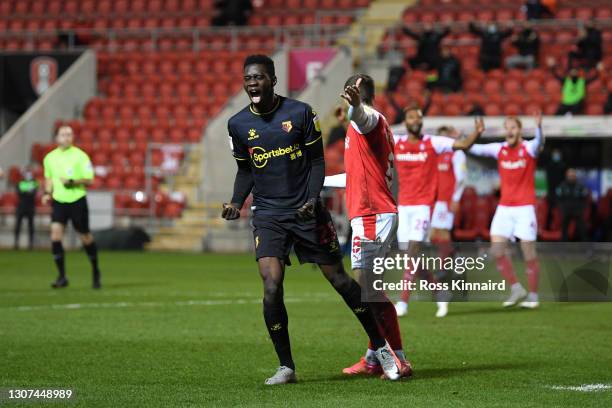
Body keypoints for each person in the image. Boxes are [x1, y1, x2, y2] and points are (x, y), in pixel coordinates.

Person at [221, 55, 402, 385]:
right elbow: (245, 170)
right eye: (247, 78)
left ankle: (382, 348)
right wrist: (236, 201)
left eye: (259, 77)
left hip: (306, 212)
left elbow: (317, 163)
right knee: (272, 284)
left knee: (341, 281)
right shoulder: (236, 124)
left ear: (273, 81)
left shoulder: (300, 113)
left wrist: (309, 199)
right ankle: (286, 366)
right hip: (268, 215)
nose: (252, 82)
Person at [323, 74, 412, 378]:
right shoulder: (369, 127)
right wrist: (314, 183)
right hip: (369, 212)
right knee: (369, 290)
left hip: (374, 214)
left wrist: (356, 106)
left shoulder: (369, 118)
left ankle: (397, 357)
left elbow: (361, 116)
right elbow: (355, 178)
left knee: (370, 291)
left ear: (357, 95)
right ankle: (374, 357)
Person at [394, 107, 484, 318]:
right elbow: (368, 137)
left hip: (423, 208)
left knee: (412, 252)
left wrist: (476, 133)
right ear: (405, 121)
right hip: (403, 207)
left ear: (422, 121)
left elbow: (462, 144)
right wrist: (347, 123)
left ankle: (403, 302)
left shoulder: (433, 142)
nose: (415, 119)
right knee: (410, 258)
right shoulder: (396, 142)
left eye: (418, 116)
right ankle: (440, 291)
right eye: (410, 116)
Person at [468, 113, 545, 309]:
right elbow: (473, 148)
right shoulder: (499, 149)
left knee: (528, 251)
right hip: (504, 208)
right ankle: (516, 288)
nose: (509, 131)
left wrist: (539, 127)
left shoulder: (528, 148)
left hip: (525, 208)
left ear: (519, 131)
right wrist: (474, 134)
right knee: (497, 250)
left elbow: (539, 142)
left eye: (513, 128)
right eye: (507, 128)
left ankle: (534, 296)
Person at [42, 125, 101, 289]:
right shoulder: (49, 158)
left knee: (85, 237)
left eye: (69, 134)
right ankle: (62, 276)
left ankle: (95, 271)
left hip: (77, 200)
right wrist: (47, 193)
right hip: (59, 201)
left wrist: (72, 182)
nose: (67, 137)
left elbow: (89, 180)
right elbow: (49, 178)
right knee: (55, 235)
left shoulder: (80, 156)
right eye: (63, 134)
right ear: (57, 138)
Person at [429, 126, 467, 316]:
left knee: (440, 234)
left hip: (447, 201)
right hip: (437, 202)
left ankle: (443, 266)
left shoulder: (456, 153)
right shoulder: (437, 155)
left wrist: (456, 198)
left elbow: (461, 178)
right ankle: (456, 254)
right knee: (435, 235)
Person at [556, 168, 590, 241]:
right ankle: (563, 247)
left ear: (575, 176)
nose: (571, 177)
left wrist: (581, 208)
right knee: (564, 229)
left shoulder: (580, 186)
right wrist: (562, 208)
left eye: (573, 175)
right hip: (566, 211)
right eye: (569, 175)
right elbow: (558, 198)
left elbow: (585, 198)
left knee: (582, 229)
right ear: (566, 176)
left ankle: (586, 247)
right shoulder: (562, 186)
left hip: (578, 211)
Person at [14, 164, 38, 250]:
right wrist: (28, 190)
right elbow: (20, 193)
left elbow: (33, 193)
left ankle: (31, 244)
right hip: (21, 206)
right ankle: (16, 243)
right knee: (18, 225)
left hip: (30, 207)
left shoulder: (34, 182)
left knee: (31, 226)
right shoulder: (21, 182)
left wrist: (26, 190)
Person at [544, 148, 566, 228]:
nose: (556, 156)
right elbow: (548, 178)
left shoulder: (563, 165)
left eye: (557, 154)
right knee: (549, 211)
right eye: (554, 154)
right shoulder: (549, 165)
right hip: (551, 191)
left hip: (560, 192)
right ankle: (547, 227)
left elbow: (564, 179)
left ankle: (561, 228)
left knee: (561, 212)